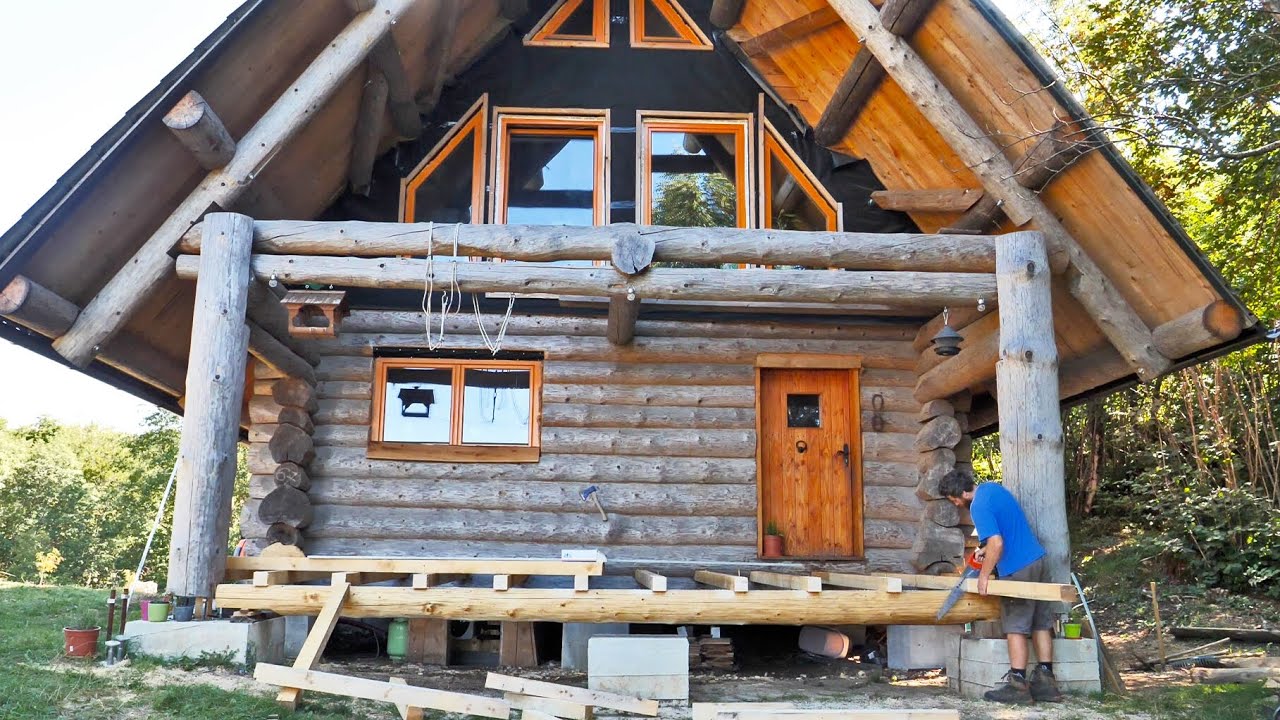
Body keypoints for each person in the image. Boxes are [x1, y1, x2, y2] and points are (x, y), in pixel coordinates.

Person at [939, 468, 1063, 705]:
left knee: (1015, 625)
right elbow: (1005, 532)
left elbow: (997, 542)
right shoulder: (992, 489)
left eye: (953, 499)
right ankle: (1047, 683)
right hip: (1037, 560)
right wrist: (984, 552)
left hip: (1018, 568)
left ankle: (1018, 685)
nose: (955, 504)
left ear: (960, 493)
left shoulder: (977, 506)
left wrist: (983, 576)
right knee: (1041, 623)